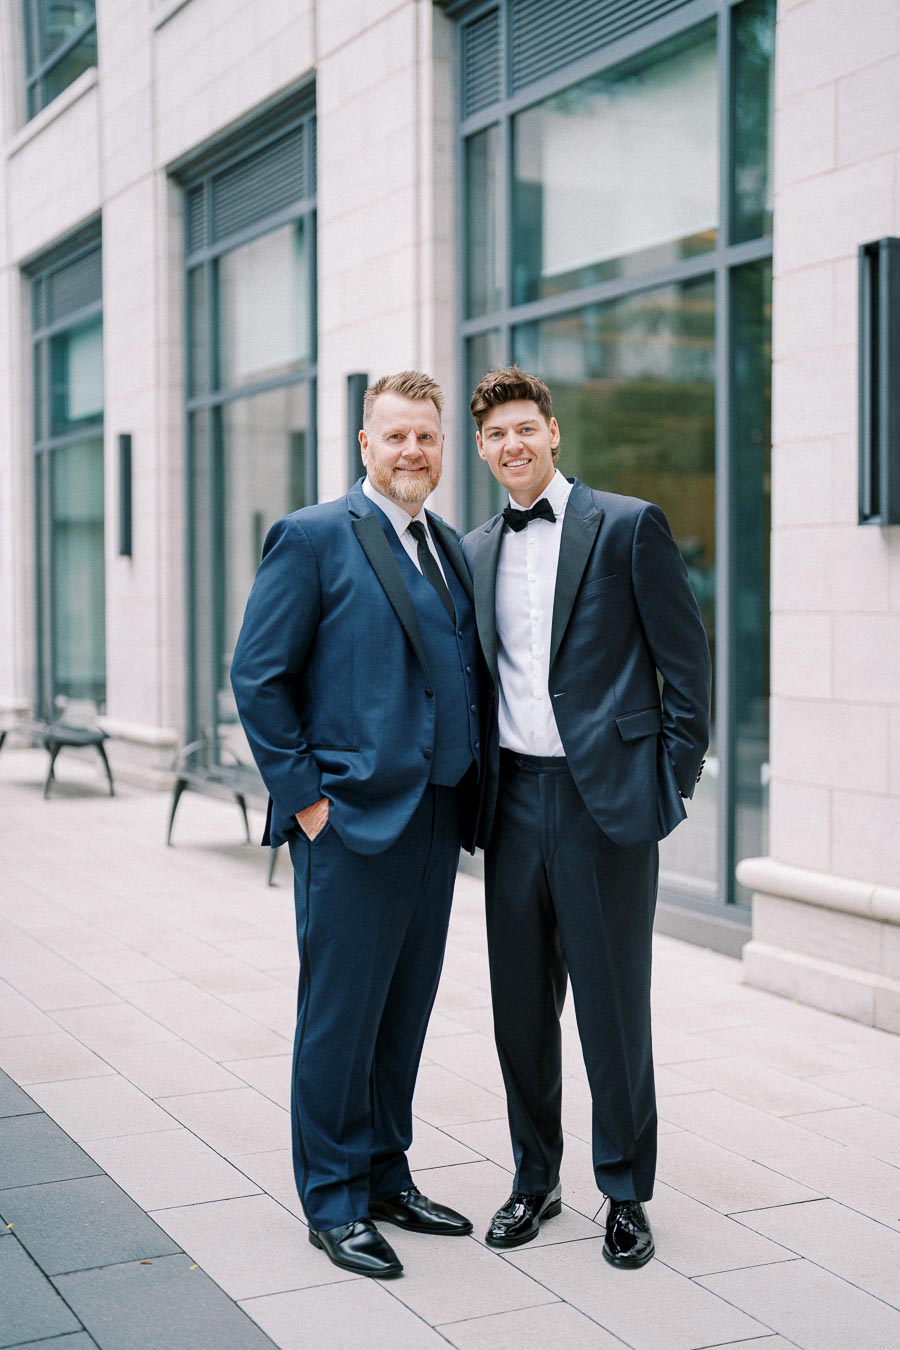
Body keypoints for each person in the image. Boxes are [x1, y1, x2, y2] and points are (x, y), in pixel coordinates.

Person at [231, 371, 482, 1279]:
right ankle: (332, 1201)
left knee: (402, 1013)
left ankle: (384, 1173)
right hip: (348, 823)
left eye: (427, 437)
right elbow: (257, 677)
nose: (413, 451)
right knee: (340, 1019)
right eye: (397, 436)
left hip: (436, 817)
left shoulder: (446, 544)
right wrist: (307, 803)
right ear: (364, 444)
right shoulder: (311, 537)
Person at [462, 366, 711, 1269]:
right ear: (483, 448)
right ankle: (535, 1179)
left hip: (607, 805)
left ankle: (625, 1193)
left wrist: (669, 786)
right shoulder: (473, 547)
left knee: (612, 1009)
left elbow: (687, 666)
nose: (512, 445)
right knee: (519, 1008)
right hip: (514, 801)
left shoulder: (628, 525)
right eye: (496, 435)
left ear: (554, 432)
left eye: (526, 428)